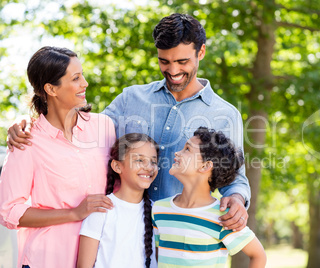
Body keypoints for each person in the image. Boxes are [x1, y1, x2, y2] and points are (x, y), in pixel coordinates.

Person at [7, 13, 250, 231]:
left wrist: (237, 199)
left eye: (182, 62)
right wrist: (28, 121)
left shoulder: (225, 115)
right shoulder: (131, 98)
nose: (173, 70)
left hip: (181, 232)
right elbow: (79, 125)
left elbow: (234, 178)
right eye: (164, 61)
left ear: (201, 52)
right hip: (123, 232)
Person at [0, 46, 116, 268]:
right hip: (47, 259)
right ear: (51, 89)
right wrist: (74, 213)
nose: (85, 83)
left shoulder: (104, 127)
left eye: (82, 75)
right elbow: (9, 211)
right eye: (76, 78)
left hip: (100, 258)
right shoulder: (27, 141)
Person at [152, 127, 266, 267]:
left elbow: (258, 255)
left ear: (205, 166)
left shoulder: (224, 217)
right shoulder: (158, 209)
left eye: (187, 149)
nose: (177, 153)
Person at [77, 133, 158, 268]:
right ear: (117, 166)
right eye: (139, 160)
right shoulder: (101, 208)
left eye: (153, 161)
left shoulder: (158, 212)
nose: (149, 167)